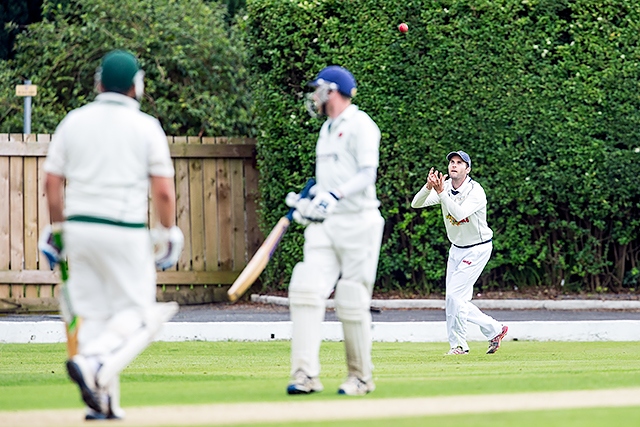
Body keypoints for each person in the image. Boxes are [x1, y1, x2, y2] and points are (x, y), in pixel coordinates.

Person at [39, 49, 184, 420]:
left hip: (80, 231)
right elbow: (164, 192)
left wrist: (57, 229)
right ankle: (93, 361)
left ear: (98, 82)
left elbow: (52, 183)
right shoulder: (146, 126)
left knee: (95, 315)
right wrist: (169, 232)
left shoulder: (74, 121)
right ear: (136, 86)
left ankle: (102, 401)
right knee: (137, 315)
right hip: (124, 232)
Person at [284, 65, 384, 395]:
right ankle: (304, 374)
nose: (314, 96)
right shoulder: (326, 130)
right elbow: (325, 184)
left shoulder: (361, 125)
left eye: (319, 89)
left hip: (360, 222)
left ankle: (360, 377)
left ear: (333, 91)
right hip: (327, 225)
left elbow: (367, 175)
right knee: (305, 288)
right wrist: (308, 202)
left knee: (352, 297)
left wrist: (335, 195)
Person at [411, 151, 508, 355]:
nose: (454, 166)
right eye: (452, 162)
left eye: (459, 163)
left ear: (468, 169)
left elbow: (459, 213)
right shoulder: (443, 188)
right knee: (453, 299)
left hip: (477, 248)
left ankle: (460, 346)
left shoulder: (475, 191)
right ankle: (494, 330)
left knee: (456, 297)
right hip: (456, 248)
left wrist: (441, 193)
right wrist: (429, 187)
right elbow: (416, 203)